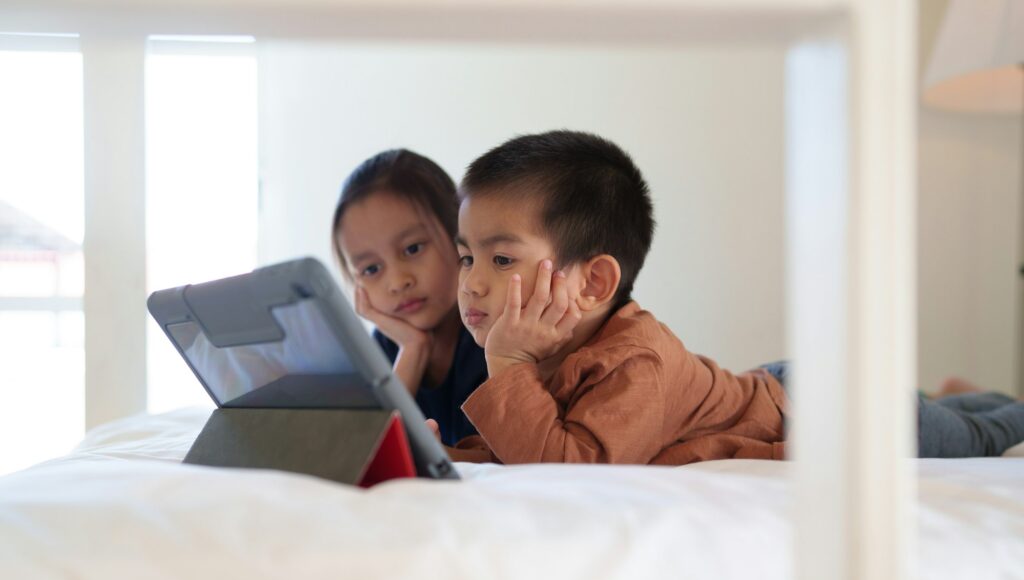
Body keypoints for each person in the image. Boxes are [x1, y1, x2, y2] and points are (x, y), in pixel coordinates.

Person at [447, 130, 788, 465]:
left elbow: (568, 471)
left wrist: (509, 364)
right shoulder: (549, 347)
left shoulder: (635, 360)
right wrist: (445, 458)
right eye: (467, 258)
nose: (471, 284)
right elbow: (523, 443)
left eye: (502, 260)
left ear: (592, 284)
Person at [331, 149, 488, 446]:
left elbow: (495, 457)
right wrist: (412, 349)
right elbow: (369, 449)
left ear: (458, 233)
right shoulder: (388, 346)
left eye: (413, 249)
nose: (398, 281)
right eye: (372, 269)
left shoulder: (489, 333)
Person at [759, 362, 1024, 458]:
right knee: (933, 414)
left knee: (985, 436)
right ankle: (959, 397)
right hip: (779, 377)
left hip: (809, 410)